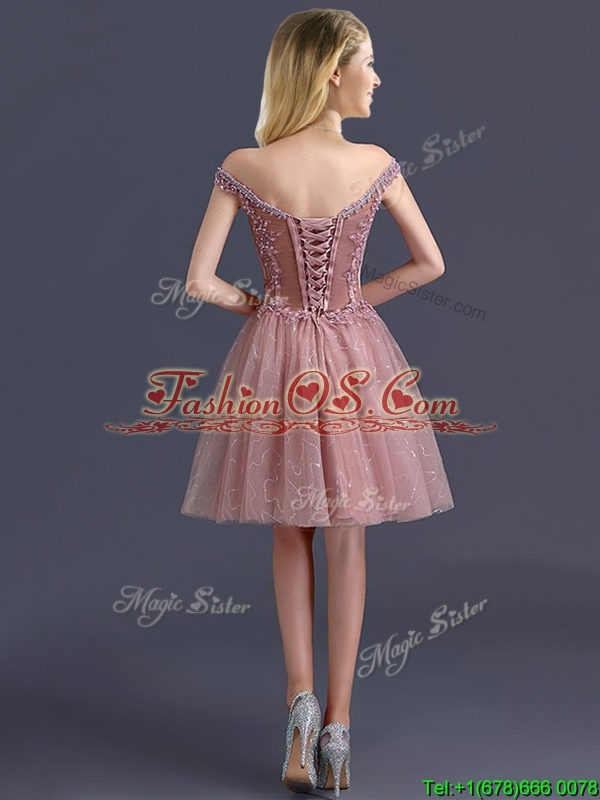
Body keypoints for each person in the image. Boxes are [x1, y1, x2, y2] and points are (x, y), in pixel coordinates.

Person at [180, 8, 454, 795]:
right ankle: (339, 731)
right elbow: (429, 265)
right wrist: (350, 305)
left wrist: (264, 308)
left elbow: (198, 281)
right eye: (368, 63)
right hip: (355, 357)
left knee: (287, 529)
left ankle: (297, 719)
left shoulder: (245, 164)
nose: (377, 78)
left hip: (275, 358)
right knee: (349, 537)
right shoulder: (376, 164)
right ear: (332, 70)